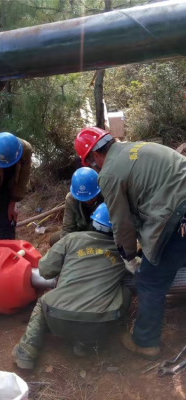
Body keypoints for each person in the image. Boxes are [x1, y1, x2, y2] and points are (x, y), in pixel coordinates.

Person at [74, 126, 186, 360]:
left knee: (149, 279)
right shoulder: (139, 147)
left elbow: (122, 222)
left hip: (179, 216)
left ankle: (145, 342)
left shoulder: (109, 173)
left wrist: (128, 257)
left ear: (94, 157)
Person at [12, 203, 129, 369]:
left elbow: (45, 270)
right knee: (124, 293)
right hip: (100, 322)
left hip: (58, 317)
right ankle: (86, 343)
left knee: (43, 302)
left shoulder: (72, 239)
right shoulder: (124, 251)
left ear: (93, 220)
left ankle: (26, 351)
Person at [49, 167, 104, 246]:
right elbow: (68, 228)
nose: (88, 201)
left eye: (91, 198)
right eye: (83, 199)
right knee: (54, 240)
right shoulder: (71, 199)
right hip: (81, 230)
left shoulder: (105, 195)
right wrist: (67, 249)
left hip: (100, 232)